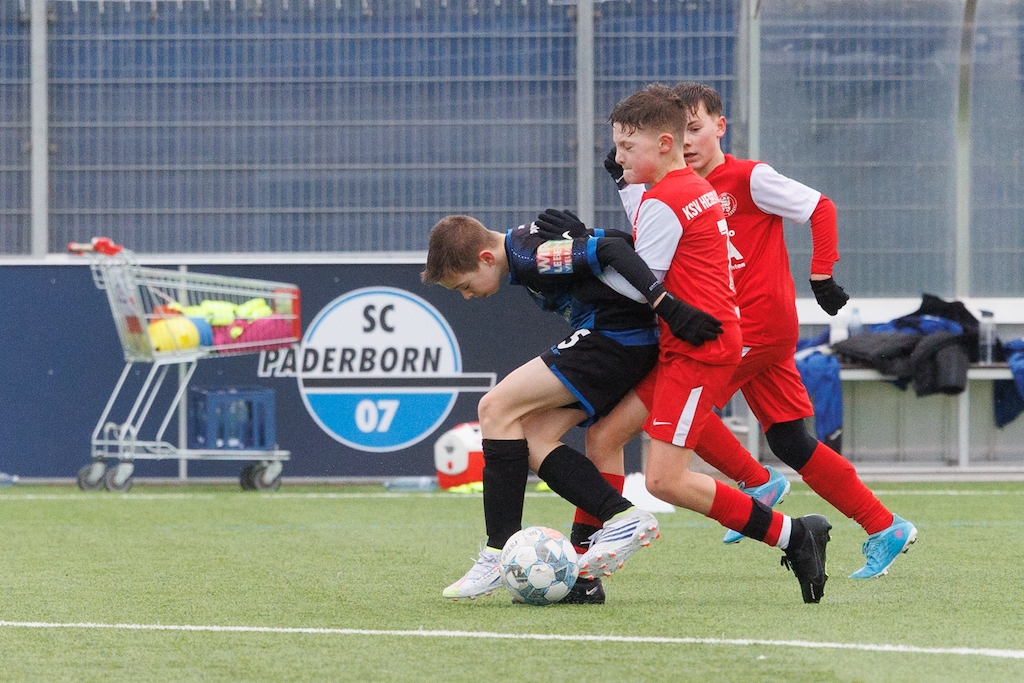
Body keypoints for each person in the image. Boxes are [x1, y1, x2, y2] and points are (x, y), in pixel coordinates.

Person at [592, 81, 916, 580]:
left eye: (696, 128)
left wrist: (822, 274)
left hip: (749, 327)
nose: (689, 141)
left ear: (719, 127)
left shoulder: (748, 177)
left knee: (665, 402)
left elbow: (820, 207)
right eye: (683, 130)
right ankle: (884, 525)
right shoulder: (682, 188)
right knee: (791, 441)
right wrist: (627, 183)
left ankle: (755, 481)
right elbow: (651, 237)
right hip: (747, 331)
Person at [572, 83, 832, 604]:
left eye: (627, 147)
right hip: (688, 345)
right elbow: (651, 246)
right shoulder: (689, 187)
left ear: (664, 144)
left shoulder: (669, 199)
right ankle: (583, 569)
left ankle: (795, 534)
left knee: (665, 481)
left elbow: (639, 282)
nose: (617, 157)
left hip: (697, 353)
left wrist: (574, 255)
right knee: (603, 437)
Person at [422, 214, 723, 603]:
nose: (467, 296)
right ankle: (622, 516)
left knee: (494, 407)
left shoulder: (531, 257)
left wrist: (667, 306)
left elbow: (611, 250)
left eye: (464, 286)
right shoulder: (525, 248)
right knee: (533, 437)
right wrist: (588, 233)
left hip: (615, 340)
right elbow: (615, 243)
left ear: (486, 258)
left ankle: (498, 551)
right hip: (618, 341)